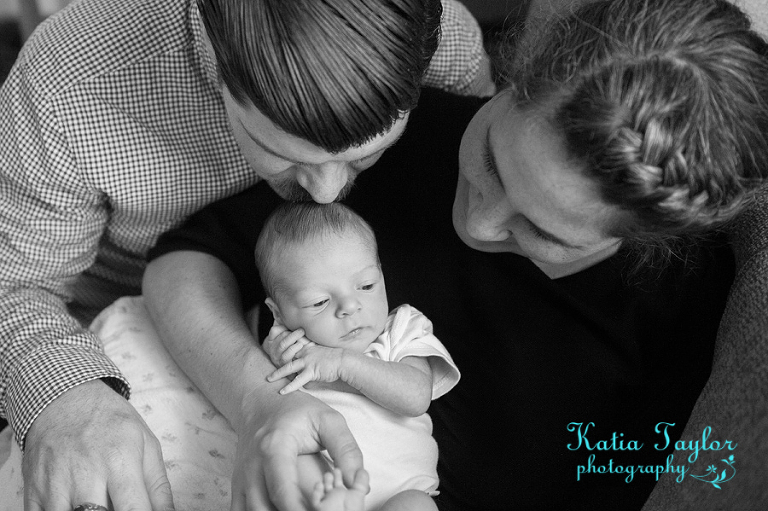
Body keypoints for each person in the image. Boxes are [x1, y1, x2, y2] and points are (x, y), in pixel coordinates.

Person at [143, 0, 768, 509]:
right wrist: (260, 404)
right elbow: (189, 258)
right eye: (491, 161)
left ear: (642, 240)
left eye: (541, 231)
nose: (478, 221)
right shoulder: (400, 143)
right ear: (515, 78)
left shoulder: (669, 329)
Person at [0, 0, 496, 509]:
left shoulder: (444, 45)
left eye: (366, 153)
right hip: (112, 329)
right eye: (282, 151)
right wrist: (65, 393)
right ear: (217, 61)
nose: (326, 193)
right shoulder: (71, 79)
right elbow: (14, 281)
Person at [252, 201, 459, 511]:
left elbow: (416, 397)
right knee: (291, 464)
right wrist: (274, 358)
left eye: (366, 285)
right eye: (319, 302)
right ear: (278, 312)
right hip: (326, 484)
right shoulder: (292, 348)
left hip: (401, 491)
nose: (349, 305)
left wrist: (344, 364)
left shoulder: (401, 330)